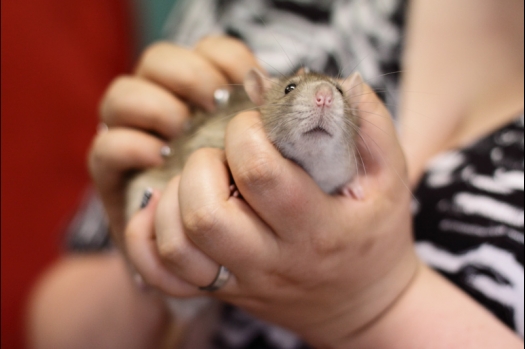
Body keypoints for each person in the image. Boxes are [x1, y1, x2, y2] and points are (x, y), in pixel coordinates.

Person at [28, 0, 523, 348]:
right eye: (289, 93)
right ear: (259, 95)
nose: (324, 98)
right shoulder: (257, 10)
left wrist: (374, 304)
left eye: (338, 94)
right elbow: (50, 331)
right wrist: (155, 260)